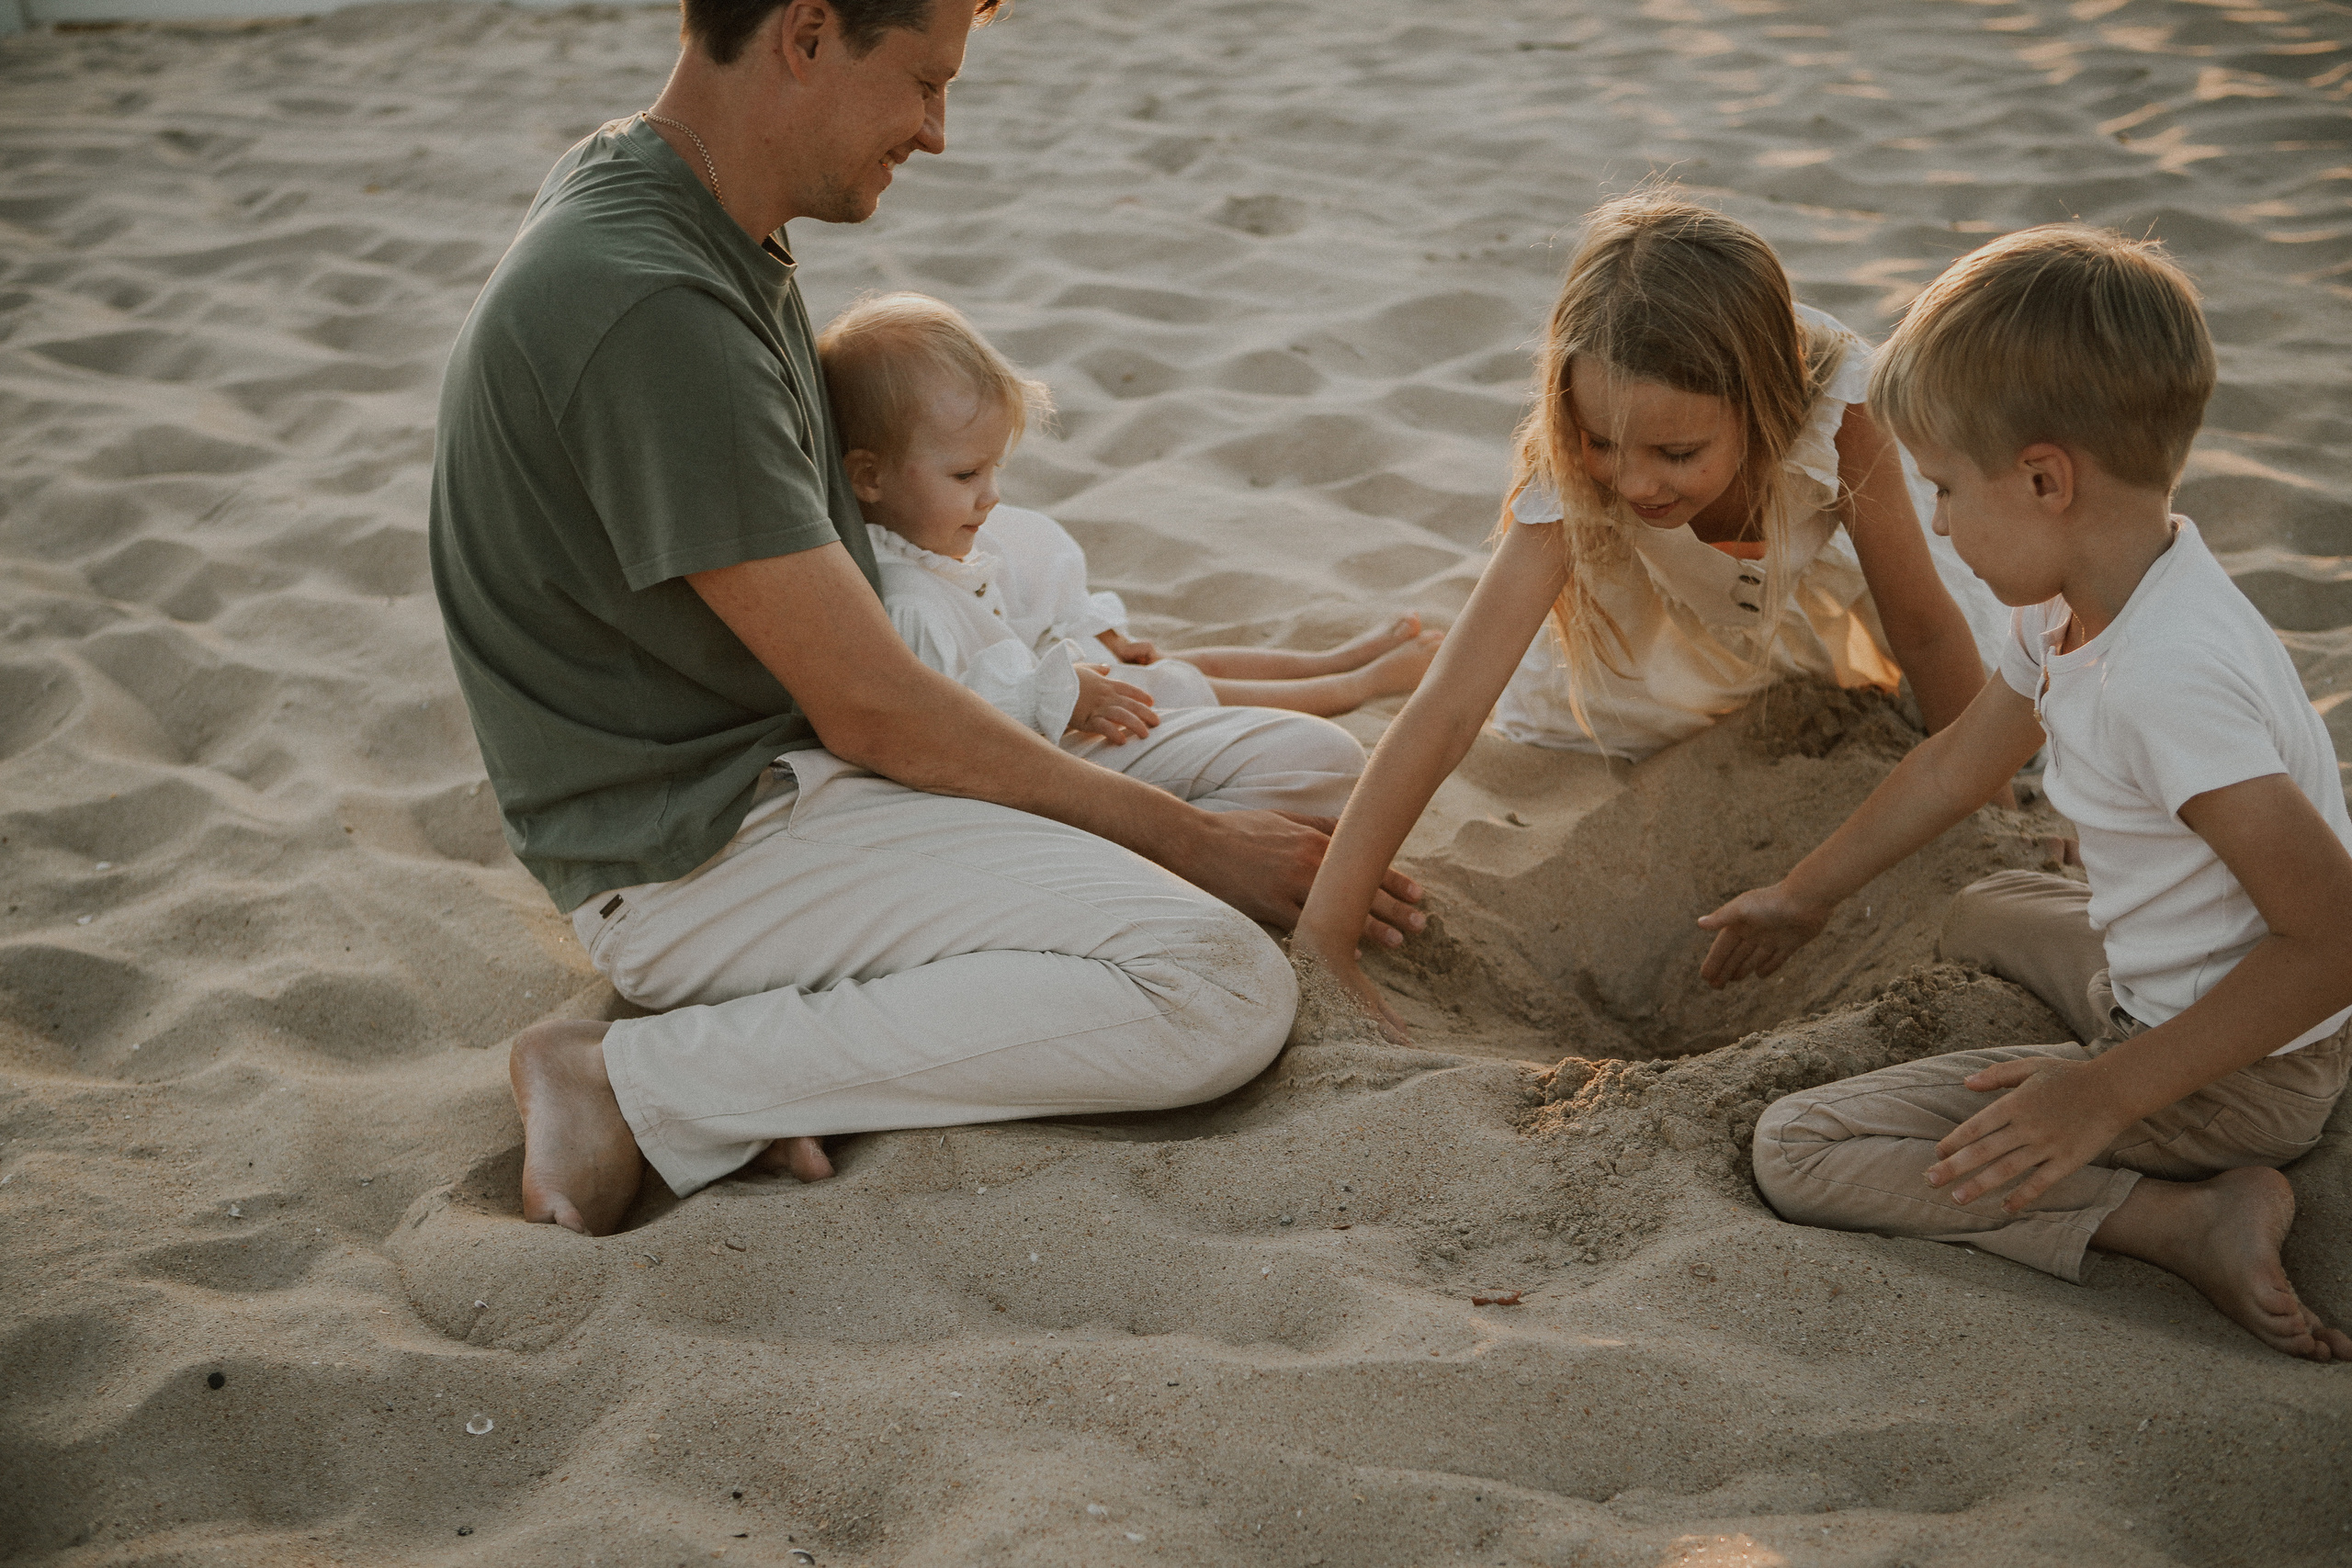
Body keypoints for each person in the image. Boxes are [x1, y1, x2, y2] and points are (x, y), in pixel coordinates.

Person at [425, 0, 1421, 1235]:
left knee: (1315, 777)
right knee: (1216, 988)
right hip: (710, 841)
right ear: (804, 33)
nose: (939, 131)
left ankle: (841, 1030)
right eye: (923, 81)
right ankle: (634, 1075)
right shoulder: (650, 306)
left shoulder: (690, 200)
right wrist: (1182, 841)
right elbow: (875, 706)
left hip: (824, 758)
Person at [1694, 225, 2352, 1360]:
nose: (1936, 520)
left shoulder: (2166, 679)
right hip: (2157, 975)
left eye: (1944, 488)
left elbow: (2335, 938)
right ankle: (2133, 1093)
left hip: (2239, 1064)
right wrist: (1802, 894)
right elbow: (1962, 759)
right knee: (1980, 908)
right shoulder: (2083, 592)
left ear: (2047, 479)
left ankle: (2182, 1219)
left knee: (1797, 1149)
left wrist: (2102, 1098)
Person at [1290, 190, 2001, 1033]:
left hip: (1803, 604)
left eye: (1677, 453)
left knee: (1956, 668)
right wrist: (1324, 936)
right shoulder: (1581, 456)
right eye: (1601, 442)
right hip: (1655, 633)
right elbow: (1450, 711)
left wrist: (1993, 802)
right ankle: (1436, 644)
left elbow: (1919, 622)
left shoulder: (1837, 405)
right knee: (1534, 685)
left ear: (1765, 406)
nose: (1630, 482)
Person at [817, 290, 1442, 740]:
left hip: (1072, 667)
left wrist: (1094, 631)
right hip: (1071, 709)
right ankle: (1354, 686)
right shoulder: (904, 602)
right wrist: (1061, 687)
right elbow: (954, 711)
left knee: (1189, 661)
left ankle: (1330, 661)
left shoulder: (931, 534)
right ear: (868, 476)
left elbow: (1022, 589)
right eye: (966, 475)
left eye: (994, 469)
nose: (992, 494)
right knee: (1186, 682)